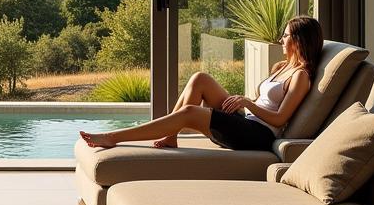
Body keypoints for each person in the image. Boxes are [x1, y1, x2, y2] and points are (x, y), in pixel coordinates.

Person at [79, 15, 323, 152]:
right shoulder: (281, 67)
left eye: (287, 35)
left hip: (257, 136)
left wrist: (248, 102)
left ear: (299, 41)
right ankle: (171, 136)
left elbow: (280, 119)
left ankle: (113, 137)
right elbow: (264, 102)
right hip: (246, 122)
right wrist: (245, 102)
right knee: (200, 79)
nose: (281, 39)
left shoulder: (300, 76)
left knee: (190, 112)